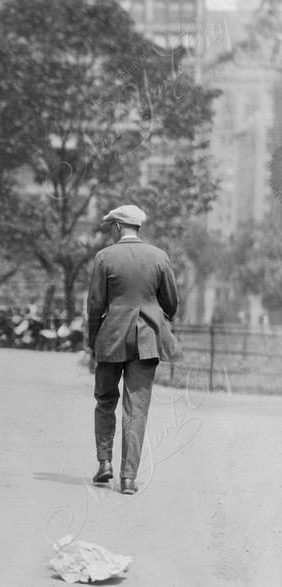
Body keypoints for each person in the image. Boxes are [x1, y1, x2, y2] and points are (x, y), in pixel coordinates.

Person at [87, 204, 180, 495]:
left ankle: (105, 463)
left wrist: (93, 342)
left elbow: (95, 305)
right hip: (146, 341)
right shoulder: (159, 257)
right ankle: (128, 478)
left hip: (110, 338)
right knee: (136, 408)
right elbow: (171, 304)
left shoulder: (104, 257)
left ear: (117, 227)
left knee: (105, 401)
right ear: (137, 227)